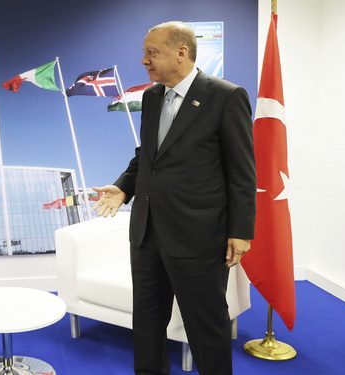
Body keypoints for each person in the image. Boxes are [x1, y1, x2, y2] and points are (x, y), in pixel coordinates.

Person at [93, 22, 255, 375]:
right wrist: (124, 187)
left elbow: (242, 172)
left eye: (152, 52)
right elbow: (147, 157)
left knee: (206, 328)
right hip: (147, 234)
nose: (144, 61)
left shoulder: (226, 97)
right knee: (148, 325)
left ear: (181, 53)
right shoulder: (151, 98)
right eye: (145, 53)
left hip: (199, 238)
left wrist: (241, 232)